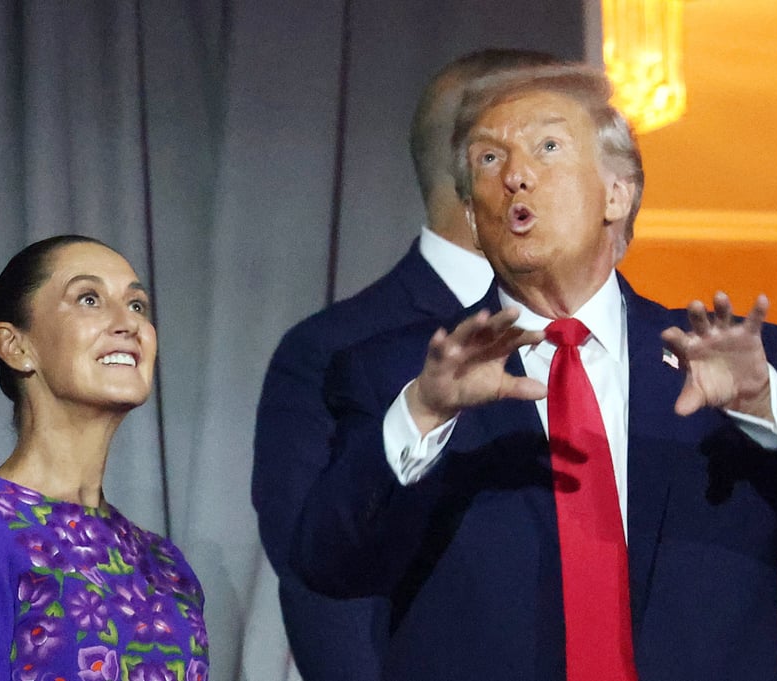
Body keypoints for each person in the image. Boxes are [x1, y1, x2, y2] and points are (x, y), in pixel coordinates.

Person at [290, 63, 777, 681]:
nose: (515, 175)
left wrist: (762, 403)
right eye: (487, 160)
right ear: (475, 219)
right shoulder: (399, 374)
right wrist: (423, 414)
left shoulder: (731, 366)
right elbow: (330, 565)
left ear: (618, 193)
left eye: (548, 147)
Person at [252, 48, 560, 680]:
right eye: (557, 145)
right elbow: (323, 589)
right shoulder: (333, 351)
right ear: (483, 162)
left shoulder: (622, 342)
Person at [0, 235, 209, 679]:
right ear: (16, 346)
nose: (128, 323)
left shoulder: (165, 563)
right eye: (89, 298)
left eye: (138, 306)